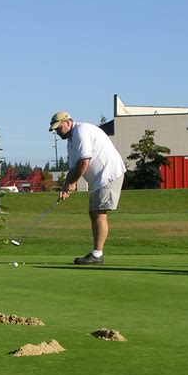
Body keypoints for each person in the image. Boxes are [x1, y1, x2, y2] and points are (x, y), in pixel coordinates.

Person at [49, 111, 126, 265]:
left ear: (68, 122)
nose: (57, 131)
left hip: (108, 173)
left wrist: (72, 183)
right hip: (98, 178)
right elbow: (73, 169)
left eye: (59, 127)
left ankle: (97, 255)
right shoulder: (71, 141)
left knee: (98, 212)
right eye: (55, 129)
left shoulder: (81, 131)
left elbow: (84, 162)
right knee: (94, 212)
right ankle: (96, 253)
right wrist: (66, 187)